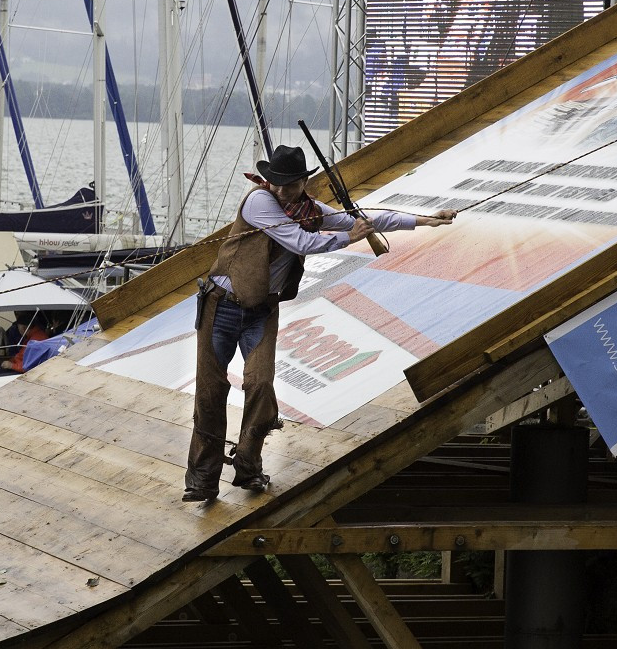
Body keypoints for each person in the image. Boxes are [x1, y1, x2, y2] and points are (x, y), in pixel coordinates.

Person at [183, 144, 457, 502]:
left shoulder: (310, 211)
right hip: (221, 308)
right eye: (275, 182)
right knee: (210, 392)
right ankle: (202, 481)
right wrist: (349, 237)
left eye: (289, 184)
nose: (280, 190)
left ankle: (248, 467)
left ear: (303, 182)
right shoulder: (259, 202)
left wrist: (424, 220)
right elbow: (301, 241)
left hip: (261, 312)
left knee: (261, 385)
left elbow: (365, 220)